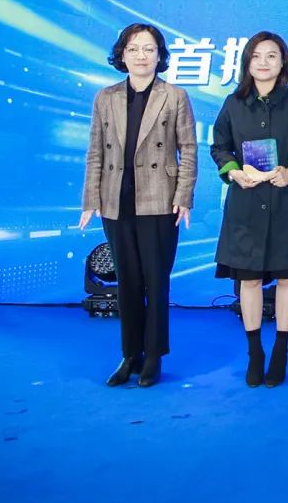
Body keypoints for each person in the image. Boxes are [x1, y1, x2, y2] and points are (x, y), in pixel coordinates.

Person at [80, 22, 197, 388]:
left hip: (160, 201)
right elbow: (95, 151)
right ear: (122, 54)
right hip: (116, 201)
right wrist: (91, 199)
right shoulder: (106, 97)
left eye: (149, 49)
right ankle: (130, 355)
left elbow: (188, 149)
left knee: (155, 281)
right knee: (127, 282)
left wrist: (184, 197)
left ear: (160, 56)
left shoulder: (174, 96)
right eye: (133, 49)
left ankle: (154, 355)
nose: (141, 55)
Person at [211, 31, 288, 388]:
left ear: (283, 62)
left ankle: (281, 350)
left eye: (272, 55)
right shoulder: (233, 104)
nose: (263, 62)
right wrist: (234, 172)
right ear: (247, 62)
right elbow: (220, 147)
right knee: (250, 279)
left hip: (287, 203)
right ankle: (255, 352)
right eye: (257, 56)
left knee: (287, 277)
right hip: (246, 204)